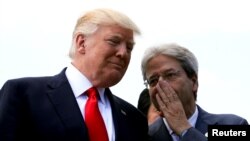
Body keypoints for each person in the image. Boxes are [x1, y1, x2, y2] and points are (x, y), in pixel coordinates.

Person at [0, 8, 148, 141]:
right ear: (82, 43)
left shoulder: (134, 119)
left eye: (129, 48)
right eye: (113, 41)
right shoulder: (23, 95)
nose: (123, 53)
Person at [140, 43, 249, 141]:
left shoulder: (232, 126)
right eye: (153, 81)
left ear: (194, 82)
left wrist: (184, 129)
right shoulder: (142, 136)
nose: (161, 85)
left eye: (170, 75)